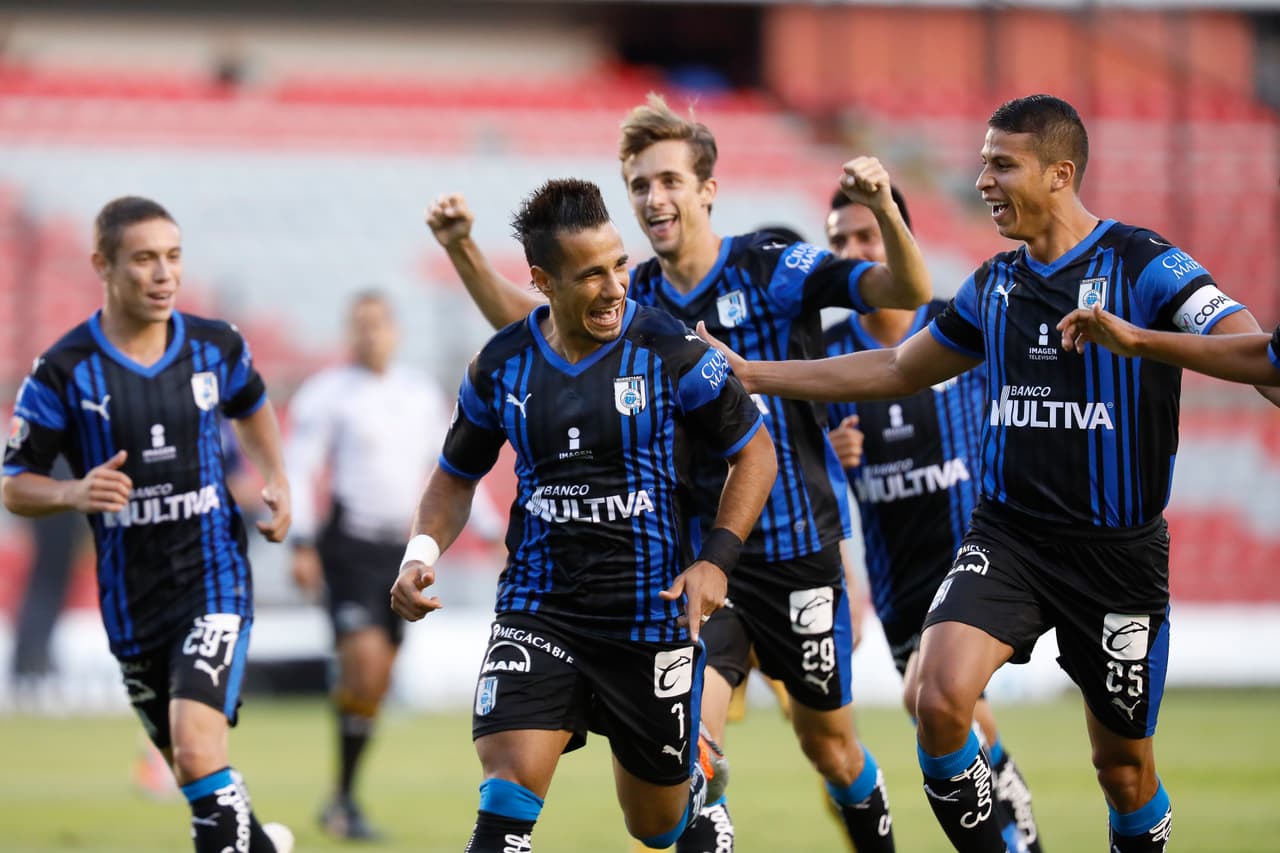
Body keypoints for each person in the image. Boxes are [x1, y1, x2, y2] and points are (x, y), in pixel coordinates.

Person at [697, 94, 1280, 853]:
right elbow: (899, 365)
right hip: (1009, 539)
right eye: (980, 162)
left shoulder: (1146, 264)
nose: (982, 180)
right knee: (938, 700)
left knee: (1123, 769)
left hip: (1117, 557)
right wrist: (758, 374)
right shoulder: (995, 284)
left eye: (1002, 163)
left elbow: (1261, 355)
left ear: (1060, 174)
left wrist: (1138, 340)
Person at [427, 94, 931, 853]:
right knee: (699, 741)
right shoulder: (633, 301)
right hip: (693, 562)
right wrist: (467, 251)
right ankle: (701, 805)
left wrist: (885, 211)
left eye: (667, 179)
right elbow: (534, 322)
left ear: (706, 190)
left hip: (795, 549)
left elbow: (904, 293)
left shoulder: (771, 266)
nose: (653, 198)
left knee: (831, 745)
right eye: (638, 184)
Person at [390, 177, 777, 851]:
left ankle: (694, 772)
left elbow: (757, 452)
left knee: (654, 826)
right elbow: (455, 477)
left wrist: (716, 559)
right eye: (591, 274)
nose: (615, 286)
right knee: (507, 787)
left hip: (647, 615)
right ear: (543, 280)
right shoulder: (501, 365)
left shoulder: (669, 350)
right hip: (540, 610)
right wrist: (420, 553)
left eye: (620, 265)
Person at [1, 196, 295, 853]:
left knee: (195, 747)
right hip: (132, 601)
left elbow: (253, 404)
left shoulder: (216, 345)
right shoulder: (64, 369)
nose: (163, 274)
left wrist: (275, 475)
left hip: (214, 580)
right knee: (194, 768)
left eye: (173, 257)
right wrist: (74, 490)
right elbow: (15, 484)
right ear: (102, 265)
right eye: (144, 259)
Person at [822, 185, 1042, 852]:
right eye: (838, 243)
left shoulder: (960, 324)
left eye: (865, 236)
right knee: (965, 722)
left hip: (973, 563)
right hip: (896, 582)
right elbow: (801, 471)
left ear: (900, 241)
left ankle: (1009, 838)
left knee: (942, 703)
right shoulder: (828, 350)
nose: (853, 253)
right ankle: (1018, 824)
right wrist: (834, 460)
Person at [284, 289, 504, 840]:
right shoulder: (328, 395)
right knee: (362, 660)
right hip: (350, 545)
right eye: (360, 325)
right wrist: (303, 543)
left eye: (379, 324)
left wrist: (491, 529)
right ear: (348, 333)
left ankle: (340, 798)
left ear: (396, 331)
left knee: (376, 679)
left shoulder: (419, 394)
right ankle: (343, 797)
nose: (370, 334)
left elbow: (453, 468)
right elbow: (300, 465)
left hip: (404, 549)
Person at [1058, 305, 1280, 385]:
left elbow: (1266, 362)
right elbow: (1267, 361)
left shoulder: (1145, 257)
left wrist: (1138, 340)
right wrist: (1137, 340)